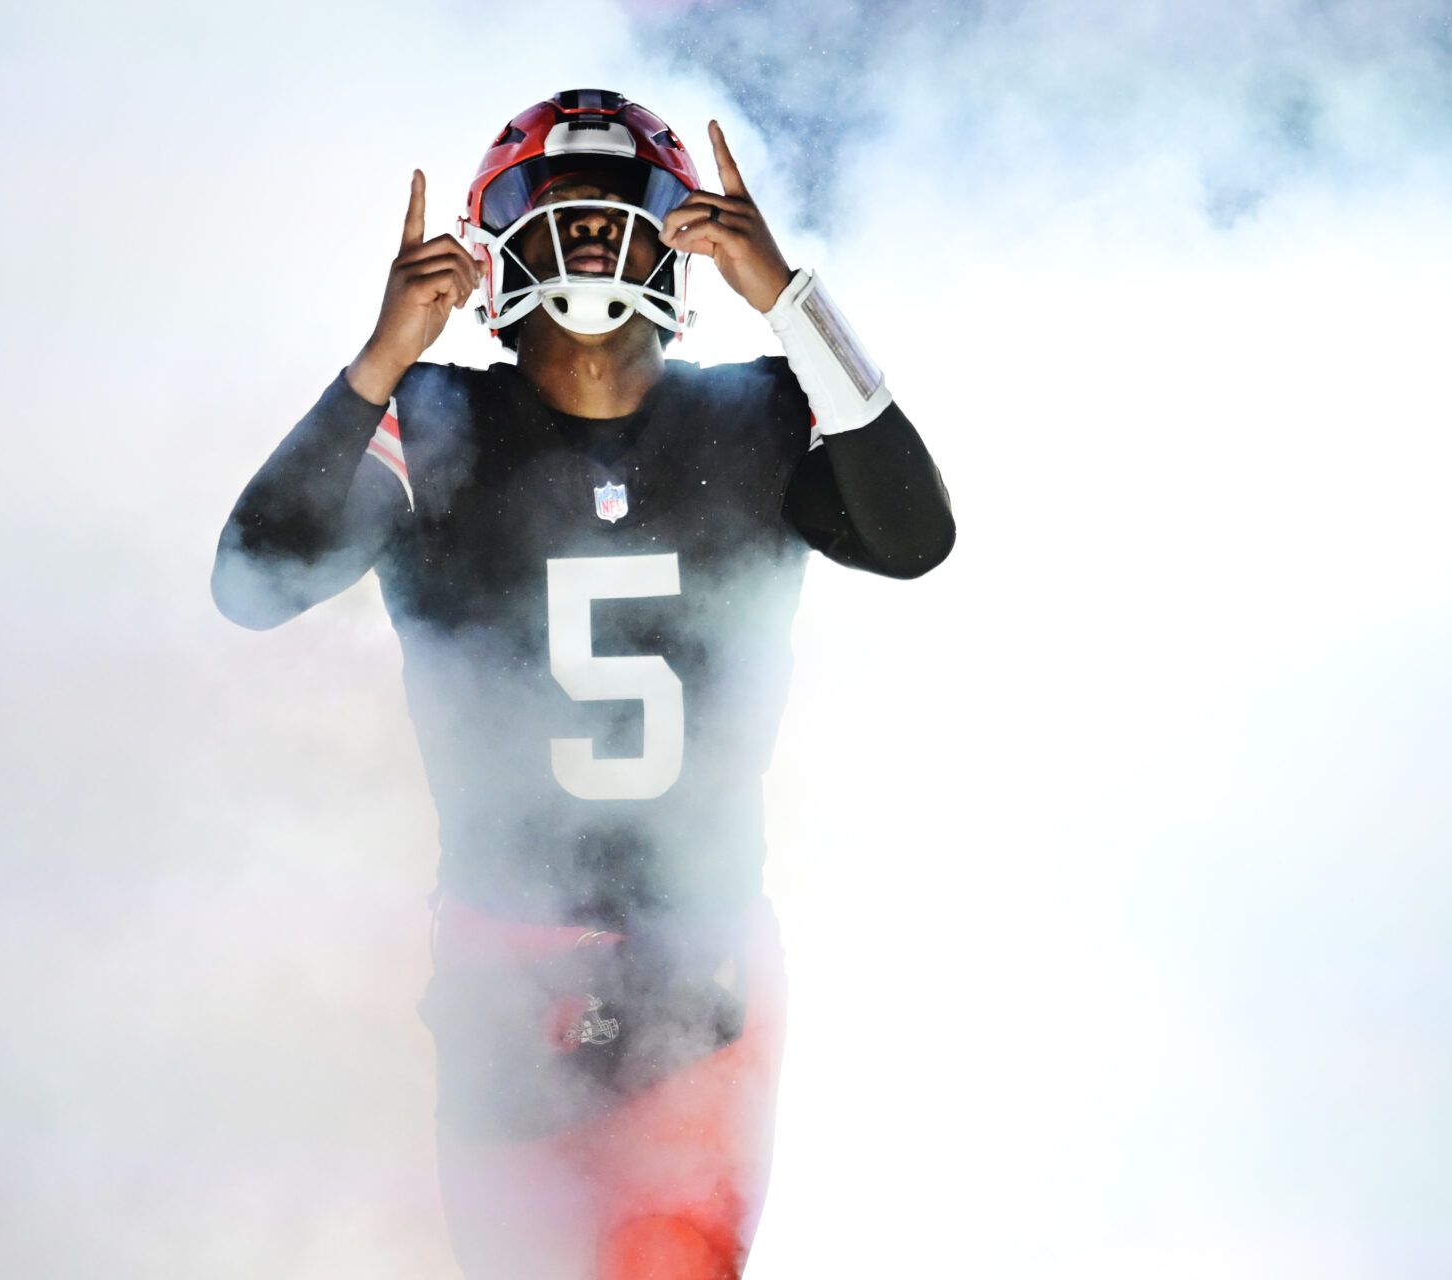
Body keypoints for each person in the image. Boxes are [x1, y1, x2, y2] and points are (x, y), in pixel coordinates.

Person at [211, 88, 953, 1279]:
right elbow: (253, 579)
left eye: (619, 204)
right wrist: (379, 358)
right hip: (511, 960)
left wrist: (792, 297)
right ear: (494, 230)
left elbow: (916, 535)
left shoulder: (755, 408)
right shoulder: (434, 413)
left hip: (696, 958)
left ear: (684, 232)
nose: (594, 229)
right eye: (563, 203)